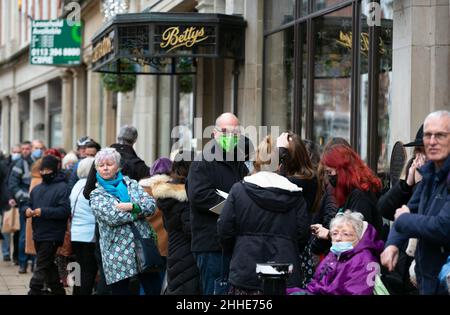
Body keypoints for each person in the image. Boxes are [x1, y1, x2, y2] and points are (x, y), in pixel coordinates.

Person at [217, 135, 310, 294]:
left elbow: (224, 229)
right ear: (280, 164)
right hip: (283, 272)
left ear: (256, 161)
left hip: (245, 268)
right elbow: (302, 234)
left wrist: (239, 249)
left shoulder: (239, 190)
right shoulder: (295, 195)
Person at [381, 110, 450, 295]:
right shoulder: (430, 175)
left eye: (440, 135)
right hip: (427, 279)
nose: (432, 141)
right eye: (428, 135)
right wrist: (392, 244)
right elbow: (406, 209)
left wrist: (403, 220)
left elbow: (442, 226)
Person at [186, 113, 249, 295]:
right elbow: (199, 197)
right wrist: (232, 207)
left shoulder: (237, 161)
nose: (230, 137)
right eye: (224, 132)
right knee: (216, 290)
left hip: (230, 241)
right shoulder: (202, 162)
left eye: (235, 133)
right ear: (214, 133)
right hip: (211, 243)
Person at [89, 148, 158, 295]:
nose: (105, 168)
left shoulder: (131, 184)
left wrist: (132, 206)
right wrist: (138, 211)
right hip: (116, 250)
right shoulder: (96, 194)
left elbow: (151, 206)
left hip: (141, 243)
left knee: (153, 288)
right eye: (101, 165)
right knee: (121, 291)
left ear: (118, 166)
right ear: (97, 169)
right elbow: (112, 217)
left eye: (109, 164)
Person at [288, 211, 384, 295]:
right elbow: (315, 286)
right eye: (334, 233)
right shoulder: (336, 254)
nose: (338, 238)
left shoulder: (363, 260)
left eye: (346, 234)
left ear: (359, 237)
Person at [150, 151, 201, 294]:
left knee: (177, 285)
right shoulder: (186, 196)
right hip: (188, 251)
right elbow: (190, 229)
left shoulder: (167, 195)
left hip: (174, 246)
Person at [25, 155, 70, 295]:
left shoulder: (63, 187)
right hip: (38, 232)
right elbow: (28, 203)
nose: (44, 173)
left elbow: (64, 211)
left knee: (42, 264)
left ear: (55, 170)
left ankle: (34, 290)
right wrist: (26, 211)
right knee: (48, 264)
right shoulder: (37, 188)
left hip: (53, 234)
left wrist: (43, 212)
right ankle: (58, 291)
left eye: (47, 170)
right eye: (42, 170)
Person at [83, 126, 150, 200]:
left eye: (109, 164)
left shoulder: (100, 159)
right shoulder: (139, 165)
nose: (105, 168)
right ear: (134, 140)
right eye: (103, 165)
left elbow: (87, 192)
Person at [7, 141, 37, 273]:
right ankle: (22, 263)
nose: (25, 151)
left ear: (31, 149)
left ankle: (35, 264)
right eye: (23, 149)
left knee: (36, 234)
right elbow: (13, 184)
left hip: (37, 203)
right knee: (24, 235)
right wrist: (23, 197)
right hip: (25, 203)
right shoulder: (19, 164)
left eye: (27, 149)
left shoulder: (37, 162)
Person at [70, 157, 98, 295]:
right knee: (89, 271)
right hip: (89, 234)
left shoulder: (76, 185)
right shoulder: (91, 186)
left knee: (79, 268)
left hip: (76, 233)